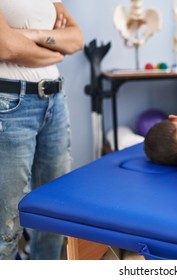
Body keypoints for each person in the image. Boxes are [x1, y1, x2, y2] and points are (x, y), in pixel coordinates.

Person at [0, 0, 84, 260]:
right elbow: (5, 46)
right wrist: (54, 48)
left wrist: (30, 37)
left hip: (54, 101)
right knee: (7, 224)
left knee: (54, 213)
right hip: (10, 104)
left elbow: (76, 39)